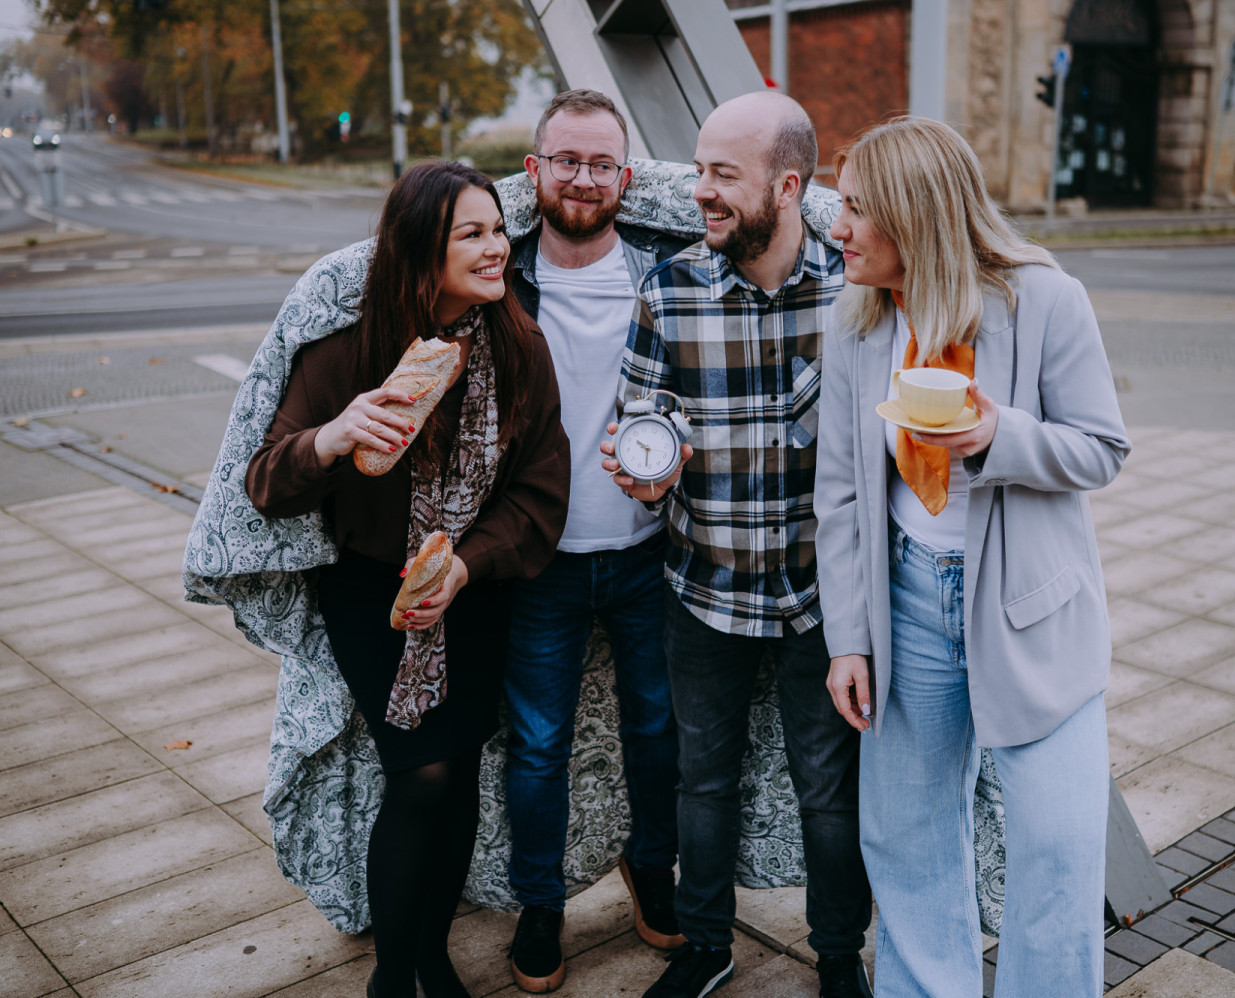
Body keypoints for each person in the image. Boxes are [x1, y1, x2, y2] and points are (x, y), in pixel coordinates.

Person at [815, 117, 1131, 997]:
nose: (835, 228)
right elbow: (839, 495)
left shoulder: (1043, 301)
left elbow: (1101, 447)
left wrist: (997, 438)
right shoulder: (854, 322)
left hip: (1032, 608)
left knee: (1059, 851)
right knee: (908, 839)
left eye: (855, 210)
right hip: (907, 605)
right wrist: (849, 638)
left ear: (914, 216)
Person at [243, 161, 571, 998]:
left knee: (459, 769)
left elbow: (540, 484)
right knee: (419, 773)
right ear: (422, 251)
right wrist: (332, 435)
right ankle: (395, 974)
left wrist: (466, 562)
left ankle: (431, 952)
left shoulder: (517, 344)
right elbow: (266, 482)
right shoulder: (351, 349)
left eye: (499, 229)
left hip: (471, 587)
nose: (499, 247)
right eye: (474, 234)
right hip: (370, 592)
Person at [604, 91, 873, 998]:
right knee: (702, 787)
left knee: (831, 798)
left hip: (822, 603)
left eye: (723, 175)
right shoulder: (669, 288)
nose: (701, 193)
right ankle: (707, 949)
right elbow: (640, 421)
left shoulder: (858, 292)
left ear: (788, 185)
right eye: (700, 170)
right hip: (703, 590)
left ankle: (839, 960)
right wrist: (644, 467)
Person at [504, 90, 689, 993]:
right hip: (536, 558)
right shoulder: (498, 276)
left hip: (652, 554)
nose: (583, 179)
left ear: (628, 175)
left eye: (601, 163)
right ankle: (541, 906)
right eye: (566, 160)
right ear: (534, 170)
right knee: (537, 744)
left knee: (658, 731)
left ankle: (654, 874)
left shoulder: (669, 275)